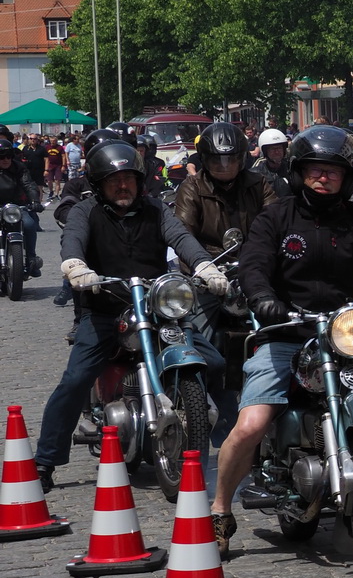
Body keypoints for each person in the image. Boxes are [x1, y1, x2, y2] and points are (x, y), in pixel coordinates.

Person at [211, 126, 353, 552]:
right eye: (315, 170)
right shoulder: (276, 217)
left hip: (345, 336)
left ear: (348, 176)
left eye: (333, 171)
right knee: (250, 425)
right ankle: (220, 512)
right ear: (300, 173)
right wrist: (262, 296)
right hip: (286, 333)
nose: (324, 178)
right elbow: (253, 263)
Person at [37, 142, 227, 491]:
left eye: (129, 179)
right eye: (114, 181)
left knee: (214, 362)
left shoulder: (156, 210)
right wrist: (76, 266)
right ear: (99, 184)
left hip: (158, 309)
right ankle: (44, 461)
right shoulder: (86, 211)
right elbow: (73, 240)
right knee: (76, 379)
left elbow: (181, 237)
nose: (123, 186)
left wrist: (204, 265)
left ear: (140, 181)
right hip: (106, 309)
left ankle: (232, 446)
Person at [173, 123, 280, 439]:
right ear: (205, 159)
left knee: (282, 326)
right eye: (217, 160)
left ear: (242, 158)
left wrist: (269, 258)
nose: (224, 166)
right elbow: (182, 235)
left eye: (230, 159)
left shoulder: (259, 184)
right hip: (207, 272)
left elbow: (278, 223)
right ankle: (197, 401)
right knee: (195, 336)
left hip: (253, 269)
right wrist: (203, 268)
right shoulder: (192, 187)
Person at [0, 141, 43, 278]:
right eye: (1, 157)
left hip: (16, 207)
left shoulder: (19, 168)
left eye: (8, 156)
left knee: (30, 225)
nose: (6, 160)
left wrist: (35, 201)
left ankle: (31, 259)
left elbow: (29, 184)